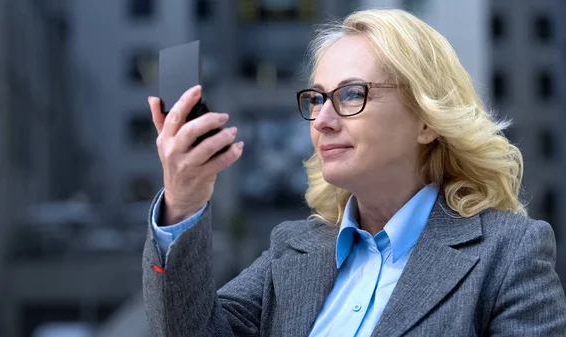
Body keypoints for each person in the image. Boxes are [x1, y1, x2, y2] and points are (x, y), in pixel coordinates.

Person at [141, 8, 566, 337]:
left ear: (427, 120)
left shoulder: (510, 255)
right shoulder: (293, 252)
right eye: (316, 98)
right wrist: (184, 200)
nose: (322, 119)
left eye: (350, 94)